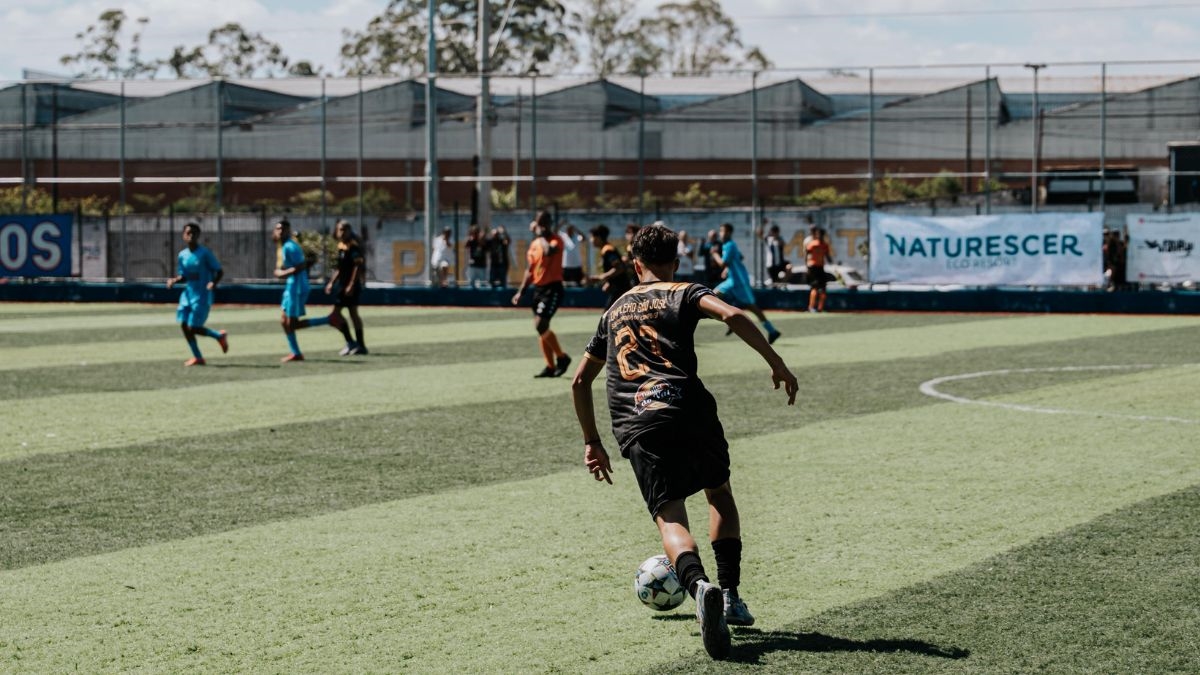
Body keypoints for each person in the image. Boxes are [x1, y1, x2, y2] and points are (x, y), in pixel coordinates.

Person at [570, 223, 798, 661]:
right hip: (690, 407)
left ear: (635, 264)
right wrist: (777, 362)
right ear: (675, 262)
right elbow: (732, 315)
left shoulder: (613, 309)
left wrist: (591, 442)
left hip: (639, 421)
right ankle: (730, 595)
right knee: (719, 493)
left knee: (671, 517)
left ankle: (698, 588)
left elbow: (580, 381)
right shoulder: (685, 290)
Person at [512, 211, 572, 378]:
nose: (541, 226)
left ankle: (562, 358)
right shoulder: (534, 244)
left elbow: (548, 252)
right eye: (539, 222)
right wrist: (521, 291)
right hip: (539, 289)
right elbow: (530, 270)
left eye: (544, 222)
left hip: (553, 288)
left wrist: (540, 235)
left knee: (540, 325)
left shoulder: (554, 240)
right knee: (542, 328)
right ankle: (550, 366)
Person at [167, 222, 228, 366]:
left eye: (194, 233)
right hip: (188, 294)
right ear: (183, 235)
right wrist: (174, 280)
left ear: (198, 235)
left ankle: (218, 336)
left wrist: (213, 282)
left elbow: (219, 271)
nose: (191, 236)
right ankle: (198, 357)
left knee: (193, 327)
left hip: (202, 295)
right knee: (183, 325)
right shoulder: (182, 255)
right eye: (188, 233)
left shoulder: (205, 253)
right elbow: (184, 275)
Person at [711, 223, 782, 344]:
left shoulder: (729, 245)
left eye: (722, 231)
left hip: (740, 281)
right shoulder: (729, 245)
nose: (720, 233)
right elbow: (740, 258)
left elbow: (723, 263)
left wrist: (714, 254)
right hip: (732, 280)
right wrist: (728, 269)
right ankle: (731, 322)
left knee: (752, 307)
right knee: (712, 296)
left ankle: (772, 331)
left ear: (728, 232)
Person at [274, 219, 331, 362]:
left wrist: (282, 274)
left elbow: (301, 265)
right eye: (278, 229)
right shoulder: (285, 245)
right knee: (283, 320)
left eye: (283, 229)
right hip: (291, 286)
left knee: (292, 324)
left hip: (297, 288)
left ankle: (329, 319)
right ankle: (295, 352)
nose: (280, 231)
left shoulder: (290, 246)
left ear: (288, 230)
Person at [325, 220, 367, 355]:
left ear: (349, 231)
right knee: (346, 314)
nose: (342, 232)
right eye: (339, 230)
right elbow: (339, 268)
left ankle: (356, 344)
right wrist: (332, 282)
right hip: (342, 285)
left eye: (344, 230)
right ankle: (354, 344)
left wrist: (351, 285)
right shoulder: (341, 246)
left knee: (340, 314)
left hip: (350, 286)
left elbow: (357, 266)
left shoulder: (353, 247)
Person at [588, 224, 631, 310]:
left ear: (599, 238)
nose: (591, 240)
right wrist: (609, 283)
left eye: (592, 237)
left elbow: (619, 268)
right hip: (618, 288)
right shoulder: (606, 249)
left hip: (620, 289)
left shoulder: (608, 250)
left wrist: (602, 277)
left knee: (607, 316)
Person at [805, 224, 834, 313]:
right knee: (815, 287)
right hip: (813, 267)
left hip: (820, 267)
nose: (820, 236)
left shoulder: (824, 245)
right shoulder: (812, 244)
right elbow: (807, 255)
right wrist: (807, 266)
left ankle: (820, 308)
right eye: (819, 234)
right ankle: (811, 307)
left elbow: (827, 256)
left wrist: (832, 264)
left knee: (823, 288)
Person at [464, 224, 489, 289]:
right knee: (471, 283)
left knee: (483, 284)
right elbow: (466, 245)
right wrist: (470, 236)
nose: (475, 234)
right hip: (473, 265)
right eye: (473, 232)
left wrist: (482, 236)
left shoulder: (483, 240)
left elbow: (484, 245)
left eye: (476, 232)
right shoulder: (471, 240)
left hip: (482, 265)